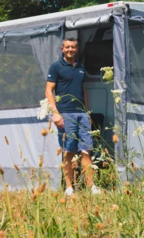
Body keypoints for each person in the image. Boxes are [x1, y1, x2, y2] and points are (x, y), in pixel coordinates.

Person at [45, 37, 101, 195]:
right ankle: (69, 187)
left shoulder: (81, 68)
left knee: (86, 150)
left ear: (77, 49)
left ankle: (91, 186)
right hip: (66, 114)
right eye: (67, 47)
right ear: (62, 49)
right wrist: (55, 113)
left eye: (73, 47)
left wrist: (87, 113)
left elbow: (84, 92)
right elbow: (48, 91)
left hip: (82, 114)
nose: (70, 49)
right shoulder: (56, 67)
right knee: (69, 151)